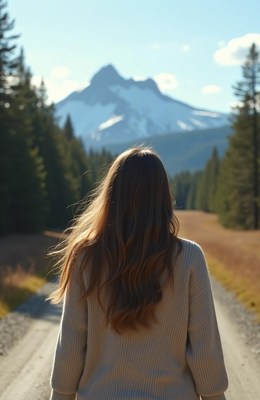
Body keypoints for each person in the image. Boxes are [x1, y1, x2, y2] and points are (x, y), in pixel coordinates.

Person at [49, 146, 228, 400]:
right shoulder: (189, 257)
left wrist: (60, 395)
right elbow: (204, 349)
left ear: (112, 196)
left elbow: (70, 344)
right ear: (163, 197)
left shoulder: (86, 257)